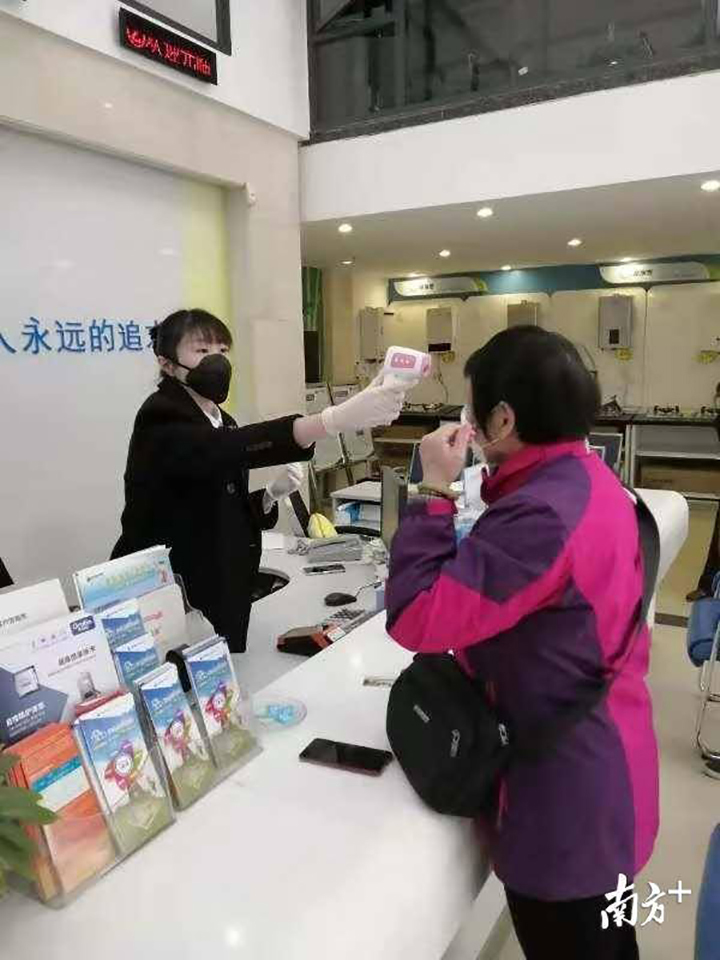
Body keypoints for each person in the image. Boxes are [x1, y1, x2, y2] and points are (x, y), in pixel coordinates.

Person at [386, 326, 657, 960]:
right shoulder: (588, 481)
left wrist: (433, 489)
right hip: (607, 764)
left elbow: (417, 616)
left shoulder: (539, 515)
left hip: (565, 804)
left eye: (471, 409)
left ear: (503, 419)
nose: (466, 422)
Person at [112, 308, 405, 653]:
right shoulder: (160, 415)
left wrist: (267, 497)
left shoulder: (220, 418)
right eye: (202, 351)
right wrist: (329, 421)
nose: (216, 361)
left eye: (222, 350)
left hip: (219, 578)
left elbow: (215, 499)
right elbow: (222, 449)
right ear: (167, 364)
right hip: (173, 587)